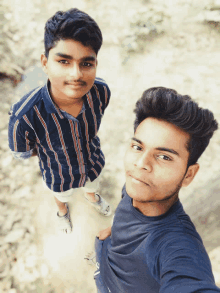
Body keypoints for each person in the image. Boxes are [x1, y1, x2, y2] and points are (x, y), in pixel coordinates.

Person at [91, 87, 220, 292]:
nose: (141, 164)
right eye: (138, 147)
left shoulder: (176, 246)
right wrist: (113, 237)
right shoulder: (136, 187)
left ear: (188, 175)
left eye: (164, 157)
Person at [8, 8, 112, 234]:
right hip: (58, 174)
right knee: (60, 196)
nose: (76, 75)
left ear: (96, 63)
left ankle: (93, 199)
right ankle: (63, 213)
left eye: (86, 63)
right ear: (45, 62)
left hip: (91, 163)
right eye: (64, 61)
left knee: (91, 185)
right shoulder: (24, 116)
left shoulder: (101, 92)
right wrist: (48, 148)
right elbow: (21, 152)